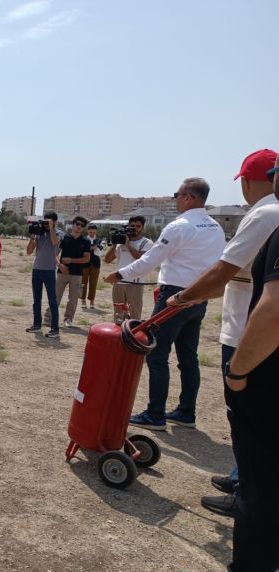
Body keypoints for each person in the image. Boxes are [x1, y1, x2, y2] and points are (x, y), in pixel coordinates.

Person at [176, 219, 279, 572]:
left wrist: (238, 372)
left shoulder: (268, 217)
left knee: (262, 483)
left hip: (268, 378)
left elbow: (274, 310)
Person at [166, 149, 279, 519]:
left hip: (248, 334)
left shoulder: (265, 214)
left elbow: (222, 272)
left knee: (247, 419)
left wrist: (182, 297)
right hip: (255, 329)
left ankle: (247, 494)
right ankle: (239, 479)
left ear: (250, 181)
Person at [105, 177, 226, 431]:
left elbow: (150, 259)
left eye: (177, 195)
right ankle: (185, 412)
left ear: (189, 197)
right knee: (188, 356)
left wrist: (119, 274)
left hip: (175, 296)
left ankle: (155, 414)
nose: (176, 200)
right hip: (199, 296)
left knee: (157, 354)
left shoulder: (179, 226)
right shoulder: (215, 227)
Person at [103, 216, 154, 322]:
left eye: (138, 226)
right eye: (132, 226)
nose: (135, 228)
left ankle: (131, 336)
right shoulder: (121, 243)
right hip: (119, 283)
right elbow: (107, 260)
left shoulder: (146, 243)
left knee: (134, 315)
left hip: (135, 284)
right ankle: (118, 336)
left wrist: (128, 245)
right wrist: (114, 245)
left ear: (142, 228)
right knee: (118, 315)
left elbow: (141, 258)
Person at [25, 210, 62, 338]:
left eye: (49, 222)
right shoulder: (39, 234)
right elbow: (29, 251)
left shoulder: (57, 233)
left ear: (55, 222)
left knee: (52, 301)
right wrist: (32, 237)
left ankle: (55, 328)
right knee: (36, 300)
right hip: (37, 270)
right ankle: (36, 324)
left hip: (50, 271)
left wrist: (51, 227)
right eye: (45, 221)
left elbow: (54, 242)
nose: (46, 224)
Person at [50, 215, 91, 327]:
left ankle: (68, 319)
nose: (79, 227)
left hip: (77, 275)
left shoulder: (86, 241)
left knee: (73, 299)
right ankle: (49, 318)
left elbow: (87, 258)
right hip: (62, 273)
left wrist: (71, 260)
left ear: (83, 228)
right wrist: (60, 265)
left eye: (82, 226)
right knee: (55, 296)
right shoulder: (64, 238)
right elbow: (55, 254)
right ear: (73, 224)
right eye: (77, 224)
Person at [80, 223, 105, 309]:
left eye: (93, 232)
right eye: (90, 232)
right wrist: (93, 248)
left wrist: (94, 249)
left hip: (95, 264)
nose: (92, 234)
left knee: (93, 283)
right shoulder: (83, 239)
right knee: (83, 282)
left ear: (96, 231)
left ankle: (92, 300)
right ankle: (83, 299)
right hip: (84, 264)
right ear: (87, 231)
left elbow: (100, 253)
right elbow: (80, 251)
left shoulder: (100, 240)